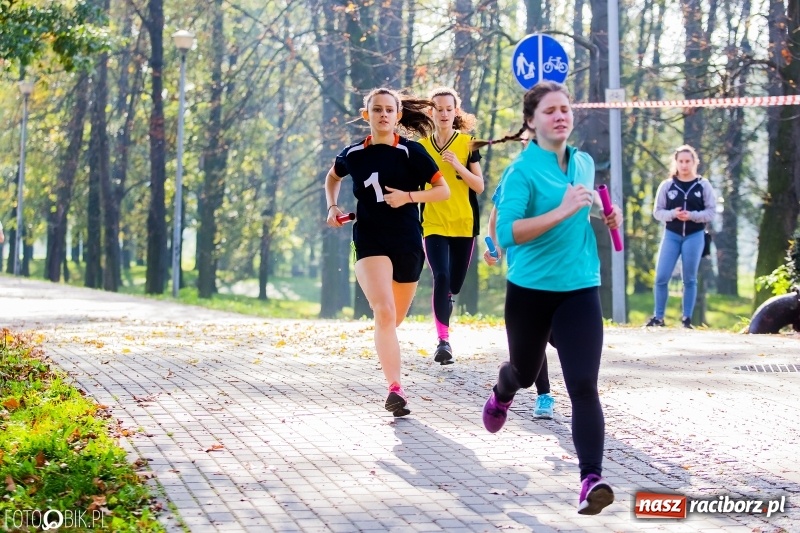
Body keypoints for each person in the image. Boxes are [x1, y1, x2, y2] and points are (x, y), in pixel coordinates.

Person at [474, 81, 620, 515]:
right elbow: (506, 233)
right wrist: (562, 210)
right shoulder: (521, 171)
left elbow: (581, 208)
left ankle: (590, 479)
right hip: (531, 291)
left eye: (565, 109)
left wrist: (602, 212)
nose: (560, 116)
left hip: (579, 287)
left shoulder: (584, 162)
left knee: (583, 385)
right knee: (523, 372)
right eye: (550, 111)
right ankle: (503, 391)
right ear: (531, 120)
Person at [325, 87, 450, 417]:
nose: (383, 115)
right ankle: (395, 390)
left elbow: (443, 191)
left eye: (389, 110)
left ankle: (388, 356)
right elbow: (332, 178)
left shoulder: (411, 152)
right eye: (377, 109)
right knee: (383, 312)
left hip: (407, 242)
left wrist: (408, 197)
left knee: (394, 319)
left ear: (398, 115)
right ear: (366, 115)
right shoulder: (353, 154)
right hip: (370, 240)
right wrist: (333, 206)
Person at [484, 134, 555, 420]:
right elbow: (495, 216)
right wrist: (494, 246)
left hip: (557, 266)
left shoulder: (564, 173)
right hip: (523, 268)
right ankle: (544, 394)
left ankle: (522, 382)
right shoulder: (514, 173)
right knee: (537, 331)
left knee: (555, 333)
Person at [418, 87, 484, 365]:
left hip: (463, 224)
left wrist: (458, 165)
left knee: (453, 285)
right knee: (441, 276)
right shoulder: (421, 147)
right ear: (430, 112)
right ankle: (443, 342)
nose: (444, 113)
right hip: (433, 222)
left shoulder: (468, 143)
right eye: (438, 109)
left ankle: (446, 302)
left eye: (449, 109)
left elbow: (479, 186)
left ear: (456, 111)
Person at [645, 145, 717, 329]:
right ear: (675, 162)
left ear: (694, 162)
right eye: (681, 161)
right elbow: (657, 212)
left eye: (688, 161)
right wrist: (672, 214)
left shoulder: (703, 185)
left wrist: (692, 215)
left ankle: (686, 319)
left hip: (695, 235)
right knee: (661, 276)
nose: (684, 165)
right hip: (672, 234)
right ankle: (658, 317)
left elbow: (711, 212)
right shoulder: (667, 185)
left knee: (689, 278)